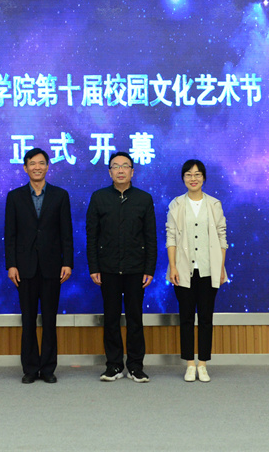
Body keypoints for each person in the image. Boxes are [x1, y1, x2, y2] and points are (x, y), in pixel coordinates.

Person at [5, 148, 74, 384]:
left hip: (52, 266)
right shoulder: (14, 197)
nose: (37, 167)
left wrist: (67, 262)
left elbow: (66, 233)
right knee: (28, 320)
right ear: (25, 168)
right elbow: (10, 234)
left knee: (49, 320)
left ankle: (48, 368)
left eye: (41, 163)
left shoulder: (60, 195)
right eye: (32, 163)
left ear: (47, 166)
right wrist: (11, 265)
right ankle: (30, 368)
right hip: (24, 268)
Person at [86, 151, 157, 383]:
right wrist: (94, 266)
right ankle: (114, 365)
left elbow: (151, 237)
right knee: (111, 319)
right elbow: (92, 236)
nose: (120, 170)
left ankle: (135, 366)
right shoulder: (99, 197)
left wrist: (149, 269)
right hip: (107, 269)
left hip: (136, 269)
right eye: (115, 166)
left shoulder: (144, 199)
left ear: (132, 171)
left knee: (135, 319)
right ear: (110, 172)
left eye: (125, 166)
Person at [165, 159, 228, 383]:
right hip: (183, 270)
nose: (193, 178)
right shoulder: (176, 204)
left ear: (204, 178)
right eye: (189, 175)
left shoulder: (214, 204)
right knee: (186, 318)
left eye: (197, 174)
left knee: (205, 318)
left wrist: (221, 268)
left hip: (209, 270)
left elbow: (222, 237)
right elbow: (171, 237)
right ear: (183, 178)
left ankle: (203, 364)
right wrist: (173, 267)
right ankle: (190, 364)